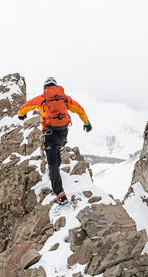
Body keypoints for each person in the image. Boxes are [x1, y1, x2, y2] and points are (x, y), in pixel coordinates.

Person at [18, 77, 92, 205]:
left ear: (45, 88)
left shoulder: (42, 98)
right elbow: (79, 109)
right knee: (57, 149)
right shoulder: (64, 98)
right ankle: (55, 172)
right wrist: (87, 122)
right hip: (63, 134)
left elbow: (25, 107)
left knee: (51, 162)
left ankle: (60, 194)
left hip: (49, 133)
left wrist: (21, 114)